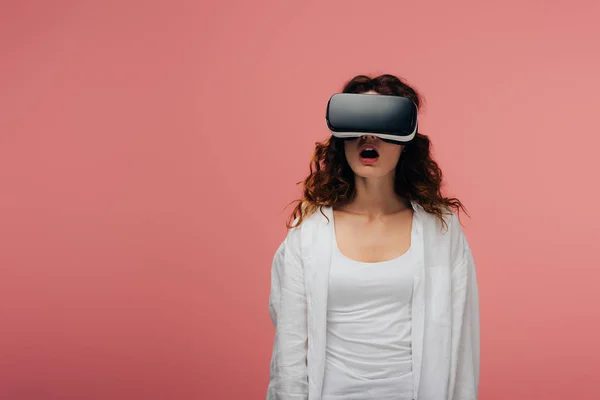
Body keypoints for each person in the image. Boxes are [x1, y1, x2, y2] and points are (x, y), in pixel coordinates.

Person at [266, 74, 480, 400]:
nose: (369, 136)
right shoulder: (308, 231)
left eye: (384, 123)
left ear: (406, 139)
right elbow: (290, 346)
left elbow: (462, 343)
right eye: (358, 123)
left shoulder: (441, 232)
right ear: (341, 137)